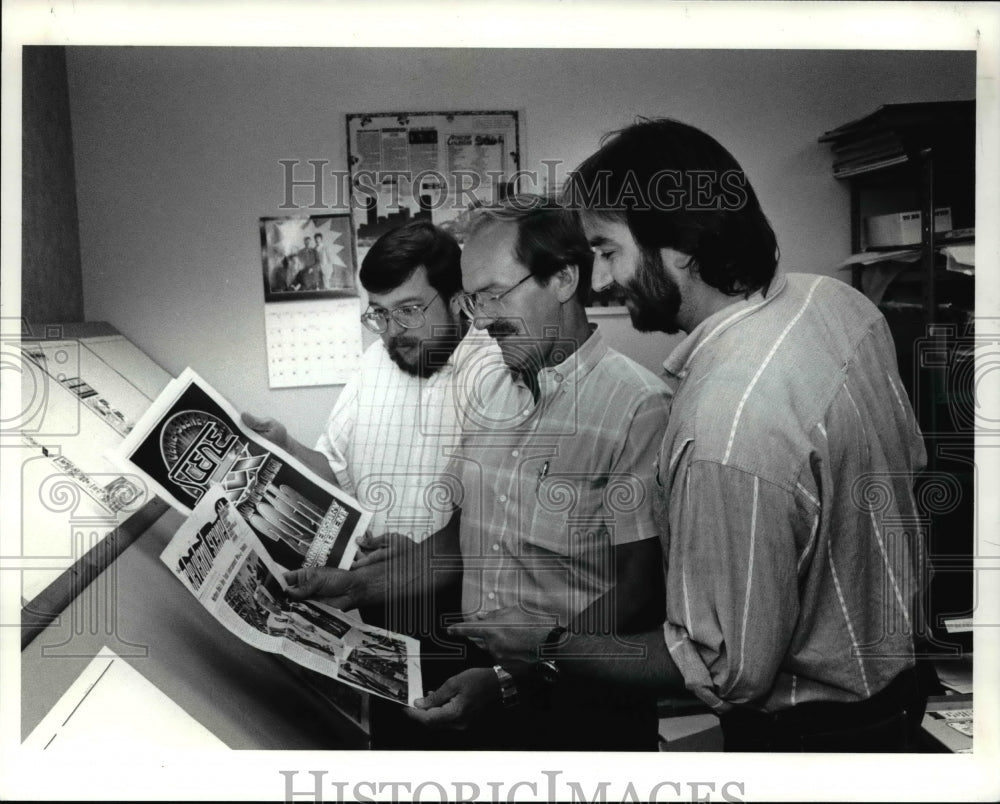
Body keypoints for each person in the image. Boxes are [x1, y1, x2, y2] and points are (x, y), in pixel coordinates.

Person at [458, 119, 931, 752]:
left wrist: (543, 648)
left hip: (815, 742)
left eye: (608, 251)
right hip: (899, 699)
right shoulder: (836, 303)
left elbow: (722, 671)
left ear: (679, 243)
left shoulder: (724, 426)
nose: (599, 282)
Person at [285, 197, 673, 751]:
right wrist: (357, 586)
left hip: (584, 707)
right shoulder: (491, 392)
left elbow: (640, 592)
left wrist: (520, 676)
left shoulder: (638, 408)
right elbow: (462, 541)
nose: (481, 318)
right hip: (482, 683)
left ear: (563, 278)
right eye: (471, 300)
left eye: (493, 295)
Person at [245, 220, 501, 548]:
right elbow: (335, 474)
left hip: (461, 595)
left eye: (409, 310)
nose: (392, 332)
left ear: (457, 301)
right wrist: (286, 446)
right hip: (372, 591)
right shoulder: (374, 363)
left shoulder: (499, 372)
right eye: (380, 312)